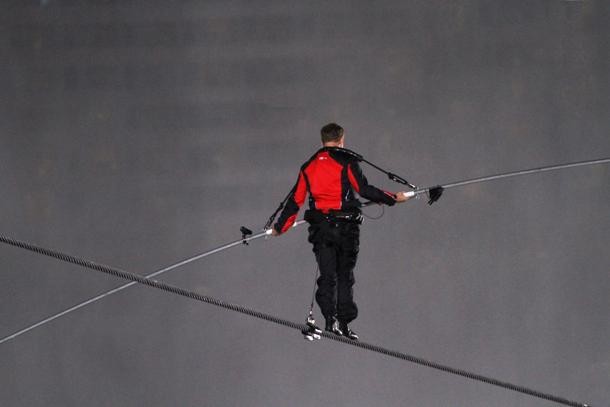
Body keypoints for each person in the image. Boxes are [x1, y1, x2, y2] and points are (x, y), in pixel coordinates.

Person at [271, 123, 412, 340]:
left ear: (322, 141)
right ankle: (345, 323)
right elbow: (363, 189)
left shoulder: (307, 167)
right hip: (346, 228)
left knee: (328, 275)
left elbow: (295, 202)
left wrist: (280, 227)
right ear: (342, 139)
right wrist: (394, 198)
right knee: (345, 275)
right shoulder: (347, 161)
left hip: (321, 230)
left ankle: (330, 319)